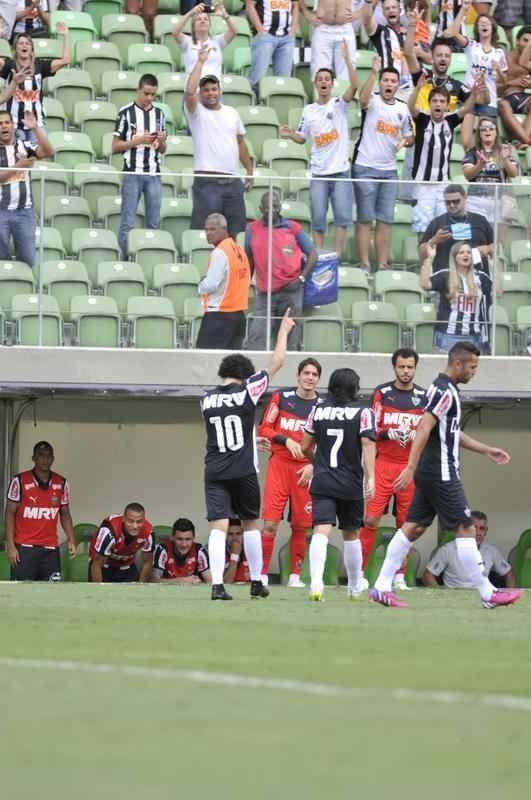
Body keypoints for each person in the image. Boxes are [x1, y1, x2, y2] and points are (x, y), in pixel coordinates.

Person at [369, 341, 522, 609]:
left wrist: (485, 449)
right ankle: (487, 592)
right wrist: (410, 467)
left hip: (432, 471)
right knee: (466, 526)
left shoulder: (444, 389)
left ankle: (381, 587)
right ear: (458, 363)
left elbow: (450, 432)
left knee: (413, 527)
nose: (474, 372)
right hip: (440, 471)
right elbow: (424, 429)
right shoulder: (443, 391)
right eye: (472, 366)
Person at [201, 309, 294, 601]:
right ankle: (256, 581)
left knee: (219, 526)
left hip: (215, 469)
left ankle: (217, 585)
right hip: (243, 470)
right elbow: (277, 361)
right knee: (251, 521)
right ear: (244, 376)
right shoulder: (248, 391)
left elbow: (224, 432)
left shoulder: (206, 399)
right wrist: (283, 331)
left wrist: (251, 440)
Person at [300, 368, 376, 601]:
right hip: (350, 482)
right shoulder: (364, 413)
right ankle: (354, 587)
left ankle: (315, 584)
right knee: (351, 533)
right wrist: (370, 477)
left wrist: (318, 464)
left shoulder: (317, 410)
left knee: (321, 531)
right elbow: (368, 445)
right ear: (354, 388)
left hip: (323, 480)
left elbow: (304, 447)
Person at [279, 42, 357, 259]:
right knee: (319, 219)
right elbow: (301, 137)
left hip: (341, 172)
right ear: (315, 83)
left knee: (342, 218)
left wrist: (348, 61)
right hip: (319, 174)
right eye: (320, 79)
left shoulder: (340, 104)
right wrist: (289, 134)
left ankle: (337, 257)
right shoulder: (309, 111)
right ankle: (320, 256)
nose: (323, 82)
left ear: (332, 84)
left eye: (327, 79)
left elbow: (354, 87)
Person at [358, 348, 426, 591]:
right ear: (394, 367)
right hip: (384, 463)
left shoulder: (424, 396)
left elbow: (429, 432)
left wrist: (415, 434)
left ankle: (399, 575)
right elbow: (369, 429)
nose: (406, 371)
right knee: (371, 519)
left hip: (409, 467)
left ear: (415, 368)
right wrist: (390, 433)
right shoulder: (382, 394)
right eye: (401, 367)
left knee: (405, 523)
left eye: (410, 367)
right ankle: (361, 575)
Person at [258, 358, 322, 588]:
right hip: (279, 466)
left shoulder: (321, 406)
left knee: (301, 525)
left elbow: (325, 441)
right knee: (270, 524)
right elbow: (264, 427)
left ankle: (295, 576)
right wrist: (285, 441)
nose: (310, 378)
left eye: (314, 374)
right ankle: (262, 574)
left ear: (318, 379)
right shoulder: (281, 398)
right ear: (298, 375)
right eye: (306, 373)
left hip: (305, 470)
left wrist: (314, 465)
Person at [351, 56, 414, 272]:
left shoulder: (403, 109)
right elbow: (362, 99)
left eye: (392, 81)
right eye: (385, 80)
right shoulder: (373, 101)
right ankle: (365, 263)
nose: (389, 84)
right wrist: (372, 72)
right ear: (380, 82)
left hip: (389, 171)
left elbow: (409, 135)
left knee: (386, 221)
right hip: (365, 168)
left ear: (398, 85)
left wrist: (404, 141)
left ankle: (383, 265)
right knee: (365, 219)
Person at [184, 45, 253, 238]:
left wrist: (249, 170)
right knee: (206, 234)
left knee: (236, 233)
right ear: (201, 93)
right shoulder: (196, 112)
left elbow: (240, 143)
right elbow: (189, 93)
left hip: (233, 181)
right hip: (207, 182)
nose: (211, 93)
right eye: (205, 90)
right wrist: (200, 62)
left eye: (214, 89)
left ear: (220, 90)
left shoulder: (232, 112)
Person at [245, 191, 317, 351]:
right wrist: (247, 284)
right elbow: (248, 260)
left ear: (280, 207)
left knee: (290, 336)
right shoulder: (251, 229)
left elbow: (313, 254)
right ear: (260, 208)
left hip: (291, 291)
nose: (272, 210)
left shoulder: (293, 228)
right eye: (267, 207)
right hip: (265, 293)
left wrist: (301, 279)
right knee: (258, 335)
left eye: (275, 206)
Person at [408, 78, 477, 233]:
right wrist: (418, 88)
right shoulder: (422, 119)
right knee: (423, 229)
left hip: (442, 185)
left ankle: (442, 257)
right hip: (422, 184)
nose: (438, 104)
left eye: (441, 101)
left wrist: (475, 94)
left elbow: (467, 108)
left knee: (445, 227)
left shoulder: (450, 121)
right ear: (429, 103)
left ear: (447, 106)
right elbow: (411, 106)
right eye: (434, 101)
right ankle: (425, 257)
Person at [112, 74, 167, 261]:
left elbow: (163, 149)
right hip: (132, 173)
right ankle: (124, 261)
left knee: (153, 222)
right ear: (138, 89)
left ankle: (150, 260)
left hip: (154, 173)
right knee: (127, 222)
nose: (149, 98)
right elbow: (114, 146)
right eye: (146, 94)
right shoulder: (125, 113)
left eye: (153, 95)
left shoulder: (160, 114)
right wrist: (136, 141)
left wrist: (161, 142)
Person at [5, 441, 76, 581]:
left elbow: (65, 513)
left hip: (50, 549)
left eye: (49, 456)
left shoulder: (61, 482)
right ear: (34, 458)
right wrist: (11, 546)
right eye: (41, 455)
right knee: (22, 594)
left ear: (53, 458)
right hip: (24, 548)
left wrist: (71, 539)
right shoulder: (19, 480)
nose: (45, 459)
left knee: (52, 594)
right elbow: (9, 513)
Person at [443, 2, 508, 147]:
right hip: (469, 98)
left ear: (492, 28)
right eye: (481, 23)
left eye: (487, 23)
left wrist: (497, 70)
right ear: (477, 28)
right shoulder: (472, 46)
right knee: (465, 142)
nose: (484, 25)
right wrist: (463, 10)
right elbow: (453, 32)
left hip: (488, 100)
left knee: (488, 141)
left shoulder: (499, 53)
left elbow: (504, 81)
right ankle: (474, 157)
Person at [0, 109, 54, 267]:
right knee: (1, 262)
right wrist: (18, 166)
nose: (3, 126)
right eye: (0, 123)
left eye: (7, 122)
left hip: (25, 212)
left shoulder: (25, 145)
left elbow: (49, 152)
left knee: (27, 260)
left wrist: (36, 128)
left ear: (13, 126)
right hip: (0, 212)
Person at [420, 240, 494, 353]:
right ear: (454, 257)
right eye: (461, 252)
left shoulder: (481, 277)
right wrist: (429, 259)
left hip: (474, 336)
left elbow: (498, 292)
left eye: (469, 252)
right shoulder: (445, 275)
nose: (466, 255)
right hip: (448, 336)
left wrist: (495, 263)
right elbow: (425, 284)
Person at [0, 25, 69, 144]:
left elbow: (65, 60)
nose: (24, 46)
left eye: (27, 43)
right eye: (20, 43)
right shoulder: (9, 65)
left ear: (32, 49)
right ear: (15, 49)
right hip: (14, 125)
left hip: (37, 125)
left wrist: (66, 36)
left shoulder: (40, 66)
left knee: (40, 157)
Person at [196, 212, 250, 350]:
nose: (208, 233)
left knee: (205, 362)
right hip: (238, 315)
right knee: (230, 366)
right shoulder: (238, 249)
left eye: (213, 229)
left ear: (224, 229)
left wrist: (200, 286)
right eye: (206, 229)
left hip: (219, 316)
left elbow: (211, 284)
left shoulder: (220, 252)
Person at [423, 510, 516, 589]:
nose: (479, 533)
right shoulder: (447, 549)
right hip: (454, 598)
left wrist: (510, 595)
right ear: (466, 529)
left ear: (486, 531)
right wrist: (440, 596)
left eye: (482, 529)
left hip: (481, 597)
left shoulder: (491, 550)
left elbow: (509, 574)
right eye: (475, 528)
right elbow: (428, 576)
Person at [419, 184, 494, 273]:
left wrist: (486, 249)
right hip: (446, 275)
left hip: (477, 275)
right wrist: (434, 241)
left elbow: (495, 247)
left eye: (456, 201)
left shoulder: (480, 220)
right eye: (448, 202)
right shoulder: (437, 222)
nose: (451, 205)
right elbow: (421, 254)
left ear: (465, 198)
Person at [462, 118, 519, 231]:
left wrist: (505, 160)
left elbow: (513, 173)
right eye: (484, 129)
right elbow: (467, 175)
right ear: (479, 133)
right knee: (476, 237)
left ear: (496, 132)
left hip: (499, 201)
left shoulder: (503, 150)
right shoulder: (473, 151)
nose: (488, 131)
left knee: (498, 241)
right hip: (476, 201)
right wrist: (480, 164)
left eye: (491, 129)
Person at [89, 503, 154, 583]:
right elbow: (97, 563)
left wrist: (141, 585)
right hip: (103, 566)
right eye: (130, 521)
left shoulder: (148, 531)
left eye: (139, 522)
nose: (135, 526)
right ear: (123, 519)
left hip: (126, 566)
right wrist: (98, 590)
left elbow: (148, 561)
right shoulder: (109, 530)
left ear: (144, 520)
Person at [174, 3, 236, 80]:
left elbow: (233, 31)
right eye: (199, 19)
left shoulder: (217, 41)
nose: (202, 21)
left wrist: (225, 15)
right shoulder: (187, 42)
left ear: (210, 25)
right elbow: (175, 32)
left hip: (214, 89)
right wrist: (190, 13)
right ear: (193, 26)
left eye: (206, 19)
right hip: (194, 89)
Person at [246, 0, 298, 91]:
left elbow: (296, 6)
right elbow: (250, 6)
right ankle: (253, 103)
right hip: (265, 36)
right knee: (257, 78)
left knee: (284, 81)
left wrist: (292, 31)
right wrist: (260, 30)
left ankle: (278, 103)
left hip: (287, 38)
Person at [300, 0, 357, 81]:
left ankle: (344, 94)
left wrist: (358, 14)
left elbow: (371, 2)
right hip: (323, 28)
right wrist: (307, 14)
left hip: (345, 29)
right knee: (319, 72)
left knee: (346, 75)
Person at [498, 26, 531, 148]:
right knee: (503, 105)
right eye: (525, 40)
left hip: (523, 98)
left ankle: (522, 141)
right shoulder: (504, 57)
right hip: (505, 98)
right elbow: (495, 88)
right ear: (517, 41)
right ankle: (525, 140)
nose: (528, 46)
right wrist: (512, 83)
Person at [151, 518, 211, 584]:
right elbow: (154, 580)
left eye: (188, 539)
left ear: (193, 538)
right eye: (179, 539)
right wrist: (181, 581)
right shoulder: (162, 549)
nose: (184, 544)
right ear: (172, 538)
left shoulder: (199, 550)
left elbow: (210, 581)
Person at [224, 518, 251, 583]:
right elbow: (226, 582)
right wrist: (235, 555)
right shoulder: (219, 550)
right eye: (230, 534)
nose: (234, 537)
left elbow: (258, 581)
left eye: (238, 534)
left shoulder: (251, 549)